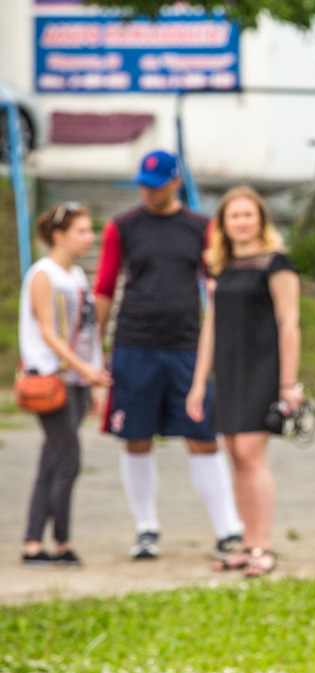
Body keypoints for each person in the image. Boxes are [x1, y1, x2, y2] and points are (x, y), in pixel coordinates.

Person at [94, 150, 243, 562]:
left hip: (186, 348)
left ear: (176, 182)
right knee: (136, 439)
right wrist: (93, 349)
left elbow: (216, 287)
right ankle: (146, 529)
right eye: (143, 183)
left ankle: (229, 529)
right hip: (133, 346)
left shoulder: (199, 228)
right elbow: (104, 288)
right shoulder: (122, 227)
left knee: (202, 438)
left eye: (156, 185)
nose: (148, 191)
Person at [185, 186, 303, 578]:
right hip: (229, 372)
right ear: (223, 224)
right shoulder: (220, 267)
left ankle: (263, 547)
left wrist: (288, 384)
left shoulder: (277, 263)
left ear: (260, 220)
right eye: (233, 216)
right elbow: (211, 328)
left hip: (263, 371)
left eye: (247, 214)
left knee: (251, 456)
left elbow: (289, 324)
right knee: (235, 457)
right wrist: (199, 384)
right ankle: (248, 543)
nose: (241, 222)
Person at [19, 202, 113, 567]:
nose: (90, 238)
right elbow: (48, 331)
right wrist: (84, 369)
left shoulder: (75, 276)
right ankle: (62, 543)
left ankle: (32, 543)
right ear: (59, 236)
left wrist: (92, 379)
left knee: (52, 460)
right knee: (68, 460)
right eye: (82, 231)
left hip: (75, 380)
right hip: (50, 379)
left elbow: (87, 331)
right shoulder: (43, 275)